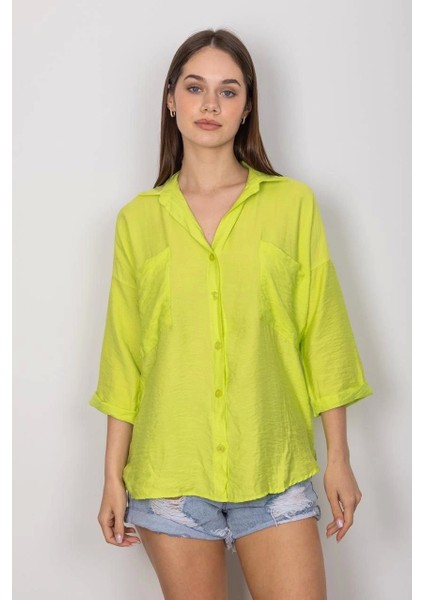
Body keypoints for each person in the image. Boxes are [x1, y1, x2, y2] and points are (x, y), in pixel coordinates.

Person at [89, 28, 374, 600]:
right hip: (170, 477)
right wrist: (111, 478)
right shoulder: (137, 221)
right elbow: (125, 357)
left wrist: (339, 459)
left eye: (228, 90)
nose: (210, 105)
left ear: (247, 107)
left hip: (275, 469)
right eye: (195, 88)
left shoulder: (293, 205)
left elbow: (323, 335)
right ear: (171, 100)